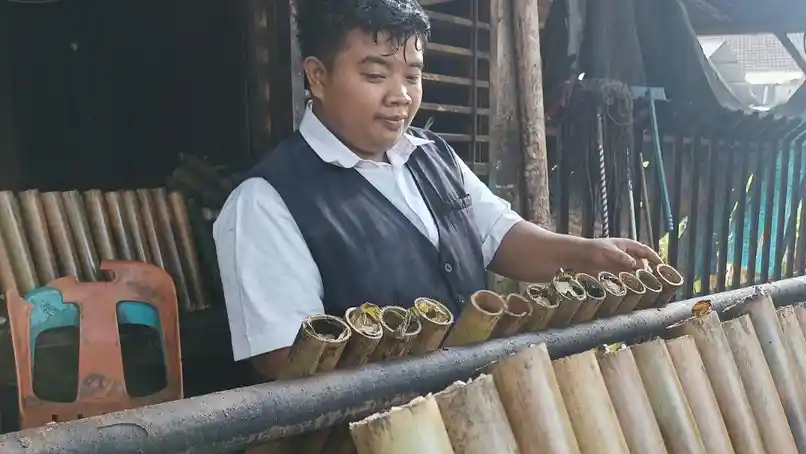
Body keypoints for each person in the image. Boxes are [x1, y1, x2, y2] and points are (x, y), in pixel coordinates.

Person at [214, 0, 660, 380]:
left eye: (412, 76)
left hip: (466, 420)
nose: (401, 96)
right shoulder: (266, 202)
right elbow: (285, 360)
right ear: (317, 76)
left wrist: (588, 255)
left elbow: (499, 235)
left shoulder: (431, 155)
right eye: (375, 76)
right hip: (364, 451)